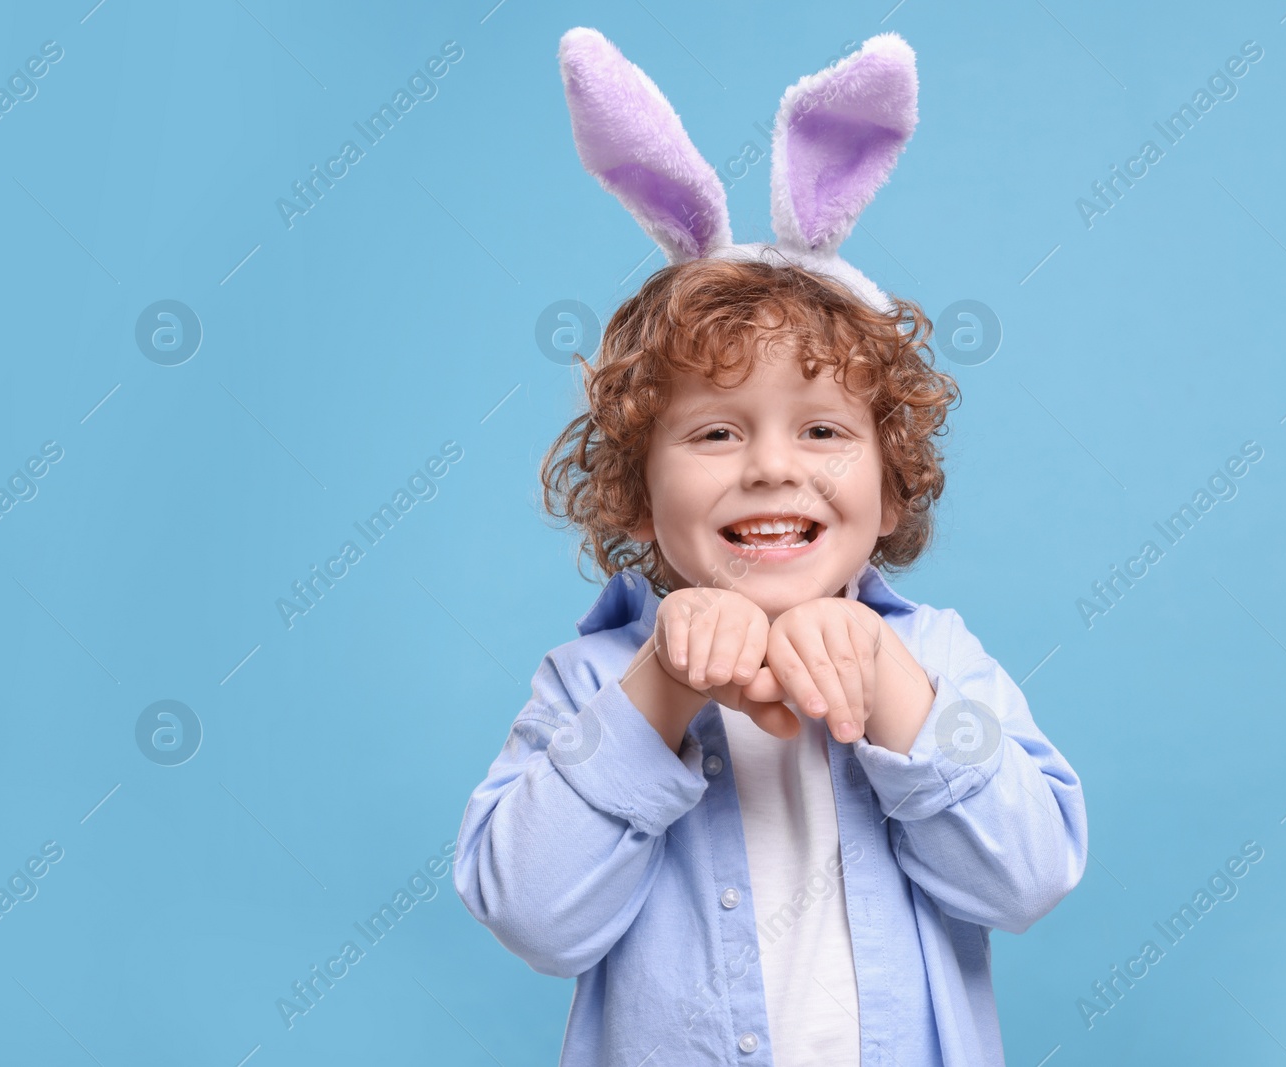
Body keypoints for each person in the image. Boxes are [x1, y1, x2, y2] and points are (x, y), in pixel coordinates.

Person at [453, 27, 1087, 1066]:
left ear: (890, 491)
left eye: (824, 430)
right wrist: (657, 687)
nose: (770, 467)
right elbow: (534, 916)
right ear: (635, 491)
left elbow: (1025, 877)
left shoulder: (937, 660)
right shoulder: (590, 683)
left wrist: (888, 682)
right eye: (714, 431)